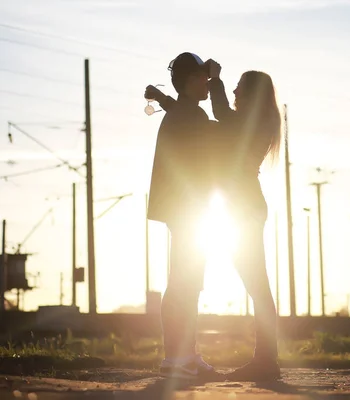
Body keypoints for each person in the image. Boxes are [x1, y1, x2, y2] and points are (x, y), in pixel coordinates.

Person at [146, 66, 281, 382]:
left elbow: (215, 112)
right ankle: (265, 360)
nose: (233, 93)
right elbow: (193, 120)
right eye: (231, 87)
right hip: (236, 210)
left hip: (243, 210)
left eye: (239, 88)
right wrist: (163, 98)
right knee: (255, 285)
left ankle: (266, 360)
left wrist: (215, 80)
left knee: (256, 286)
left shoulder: (250, 123)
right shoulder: (242, 125)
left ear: (253, 97)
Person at [146, 52, 223, 380]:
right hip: (191, 209)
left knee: (179, 281)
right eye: (203, 77)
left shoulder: (182, 112)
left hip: (179, 209)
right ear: (191, 81)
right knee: (187, 284)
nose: (207, 82)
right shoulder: (195, 117)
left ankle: (174, 357)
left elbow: (174, 105)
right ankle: (184, 358)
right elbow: (223, 139)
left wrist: (160, 96)